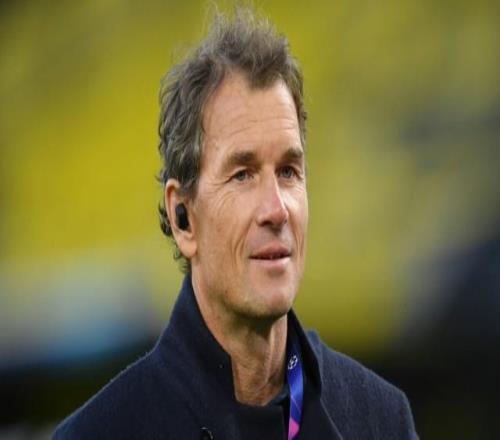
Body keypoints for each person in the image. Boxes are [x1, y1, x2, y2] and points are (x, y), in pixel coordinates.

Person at [54, 8, 417, 439]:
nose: (276, 210)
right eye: (243, 175)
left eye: (288, 171)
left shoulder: (381, 419)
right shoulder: (100, 433)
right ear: (183, 218)